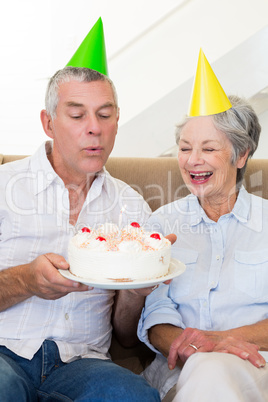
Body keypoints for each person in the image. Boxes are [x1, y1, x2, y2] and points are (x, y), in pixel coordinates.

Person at [0, 65, 164, 401]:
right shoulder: (5, 186)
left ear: (117, 120)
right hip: (5, 352)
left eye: (105, 115)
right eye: (77, 115)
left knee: (134, 397)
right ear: (48, 123)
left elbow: (128, 338)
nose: (94, 129)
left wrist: (137, 291)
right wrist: (26, 280)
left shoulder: (132, 207)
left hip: (84, 363)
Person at [138, 93, 268, 401]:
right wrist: (197, 349)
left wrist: (220, 341)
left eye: (208, 148)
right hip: (182, 372)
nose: (193, 159)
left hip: (257, 367)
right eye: (185, 148)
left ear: (241, 155)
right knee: (207, 370)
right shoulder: (160, 225)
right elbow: (157, 316)